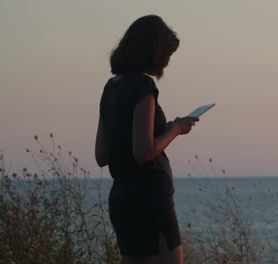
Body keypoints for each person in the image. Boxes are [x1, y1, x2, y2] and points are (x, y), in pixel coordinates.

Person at [94, 15, 198, 264]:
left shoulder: (111, 88)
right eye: (166, 54)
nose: (167, 61)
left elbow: (101, 155)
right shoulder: (143, 86)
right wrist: (176, 128)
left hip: (121, 199)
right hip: (150, 198)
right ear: (154, 52)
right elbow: (143, 152)